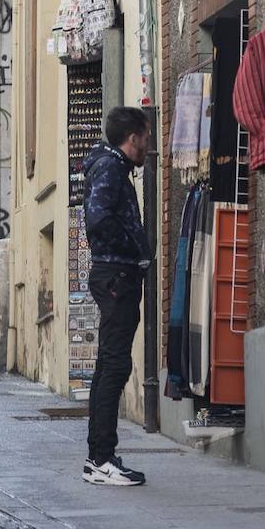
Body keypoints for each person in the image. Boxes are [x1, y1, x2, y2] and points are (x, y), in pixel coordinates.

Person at [81, 106, 152, 487]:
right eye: (146, 135)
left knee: (111, 365)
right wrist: (133, 248)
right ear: (133, 137)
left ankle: (99, 457)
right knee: (113, 366)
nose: (148, 143)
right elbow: (97, 217)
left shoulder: (111, 166)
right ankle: (101, 459)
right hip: (116, 275)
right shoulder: (111, 168)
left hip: (116, 273)